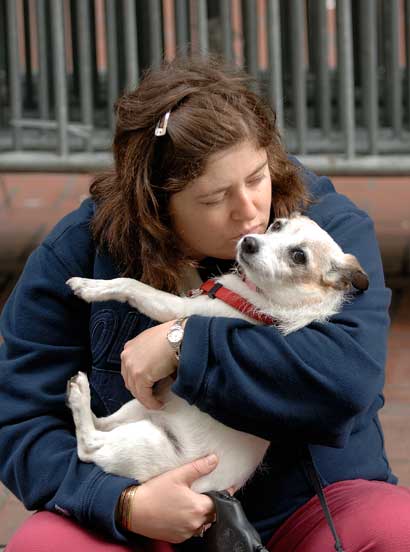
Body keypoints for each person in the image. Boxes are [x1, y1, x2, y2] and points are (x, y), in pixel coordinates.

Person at [1, 57, 409, 552]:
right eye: (215, 198)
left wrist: (184, 342)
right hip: (137, 511)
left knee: (394, 530)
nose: (250, 210)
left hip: (309, 509)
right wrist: (120, 503)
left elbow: (348, 380)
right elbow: (20, 417)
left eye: (257, 177)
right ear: (155, 203)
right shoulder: (77, 249)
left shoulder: (326, 233)